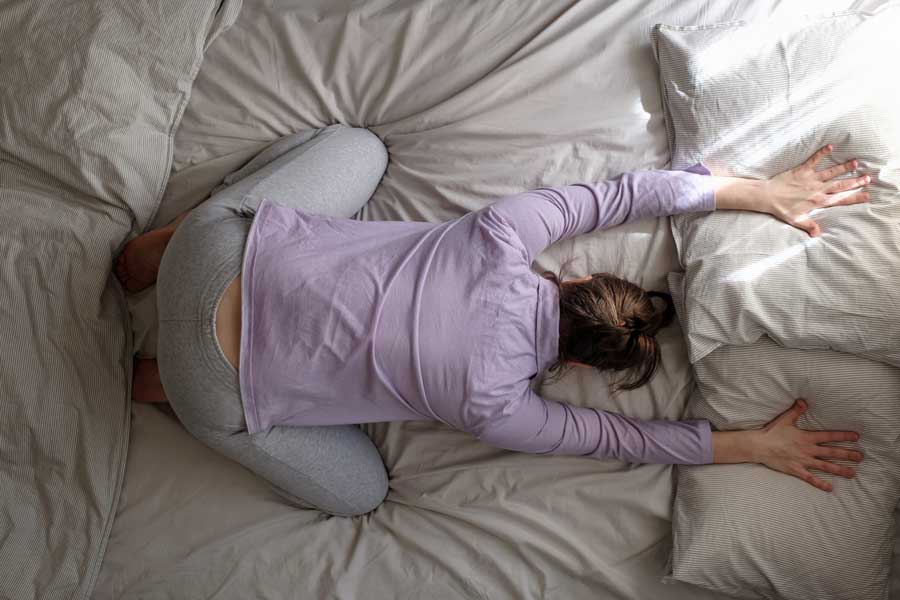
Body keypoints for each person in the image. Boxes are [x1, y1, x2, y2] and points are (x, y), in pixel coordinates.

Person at [116, 125, 869, 517]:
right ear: (580, 364)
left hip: (213, 256)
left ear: (578, 279)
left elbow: (624, 195)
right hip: (214, 386)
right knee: (361, 495)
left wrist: (754, 192)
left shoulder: (501, 235)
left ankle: (154, 257)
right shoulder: (498, 409)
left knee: (360, 147)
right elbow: (621, 440)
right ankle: (157, 382)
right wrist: (747, 444)